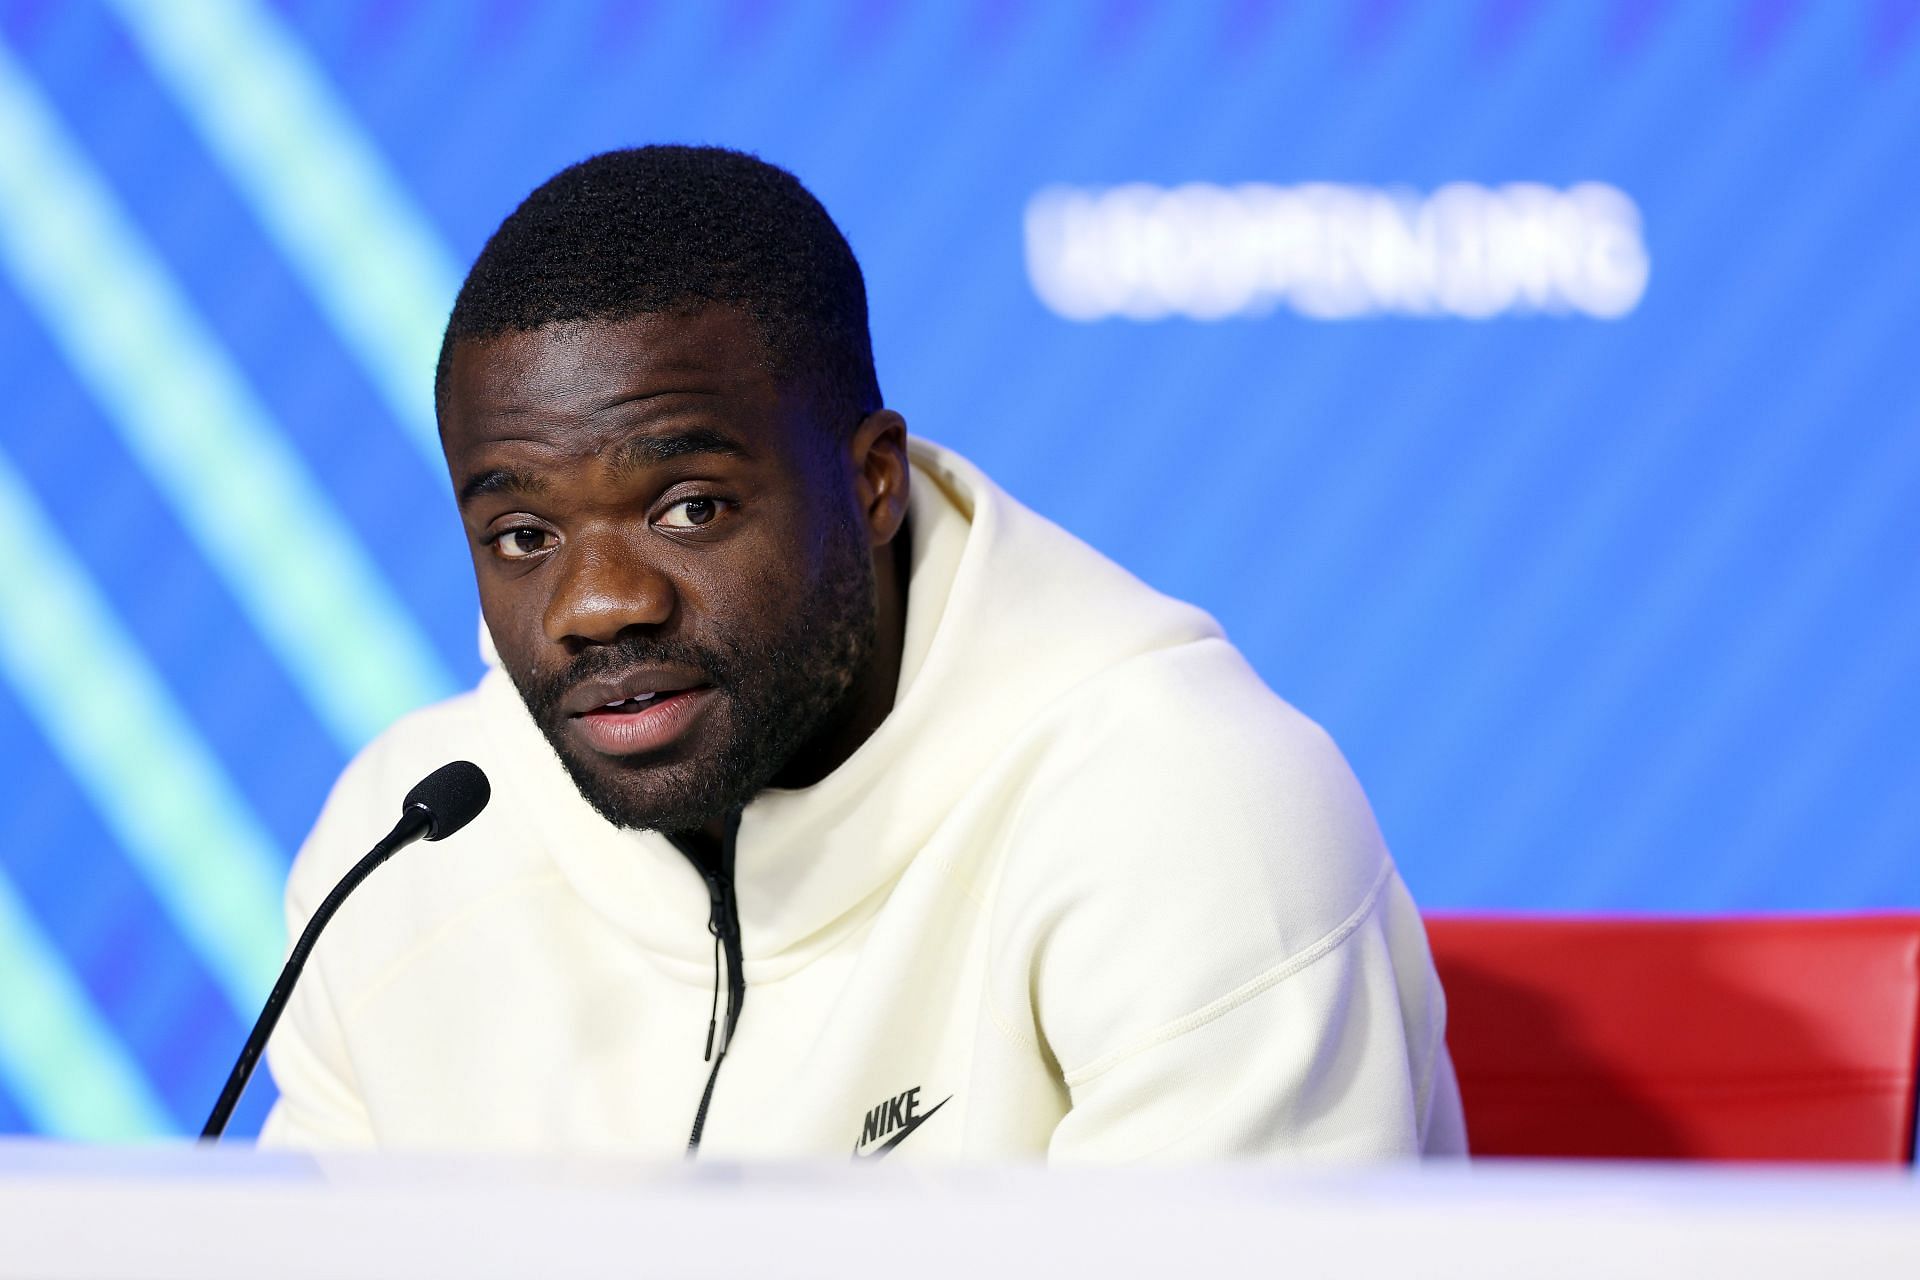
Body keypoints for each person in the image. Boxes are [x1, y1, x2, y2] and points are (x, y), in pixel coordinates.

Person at [260, 145, 1465, 1161]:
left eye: (690, 506)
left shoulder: (1183, 805)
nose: (598, 604)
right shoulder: (402, 847)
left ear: (873, 478)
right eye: (523, 533)